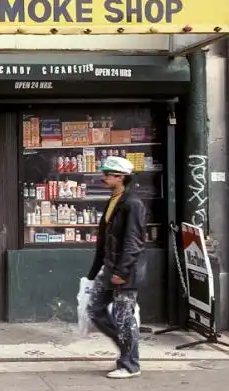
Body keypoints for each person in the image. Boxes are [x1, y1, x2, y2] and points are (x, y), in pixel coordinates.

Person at [86, 155, 147, 379]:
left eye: (107, 174)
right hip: (111, 269)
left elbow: (133, 241)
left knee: (124, 319)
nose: (103, 177)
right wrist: (95, 271)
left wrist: (122, 272)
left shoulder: (132, 204)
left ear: (120, 177)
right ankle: (126, 350)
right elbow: (105, 240)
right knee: (95, 310)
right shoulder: (114, 199)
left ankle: (130, 364)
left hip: (125, 272)